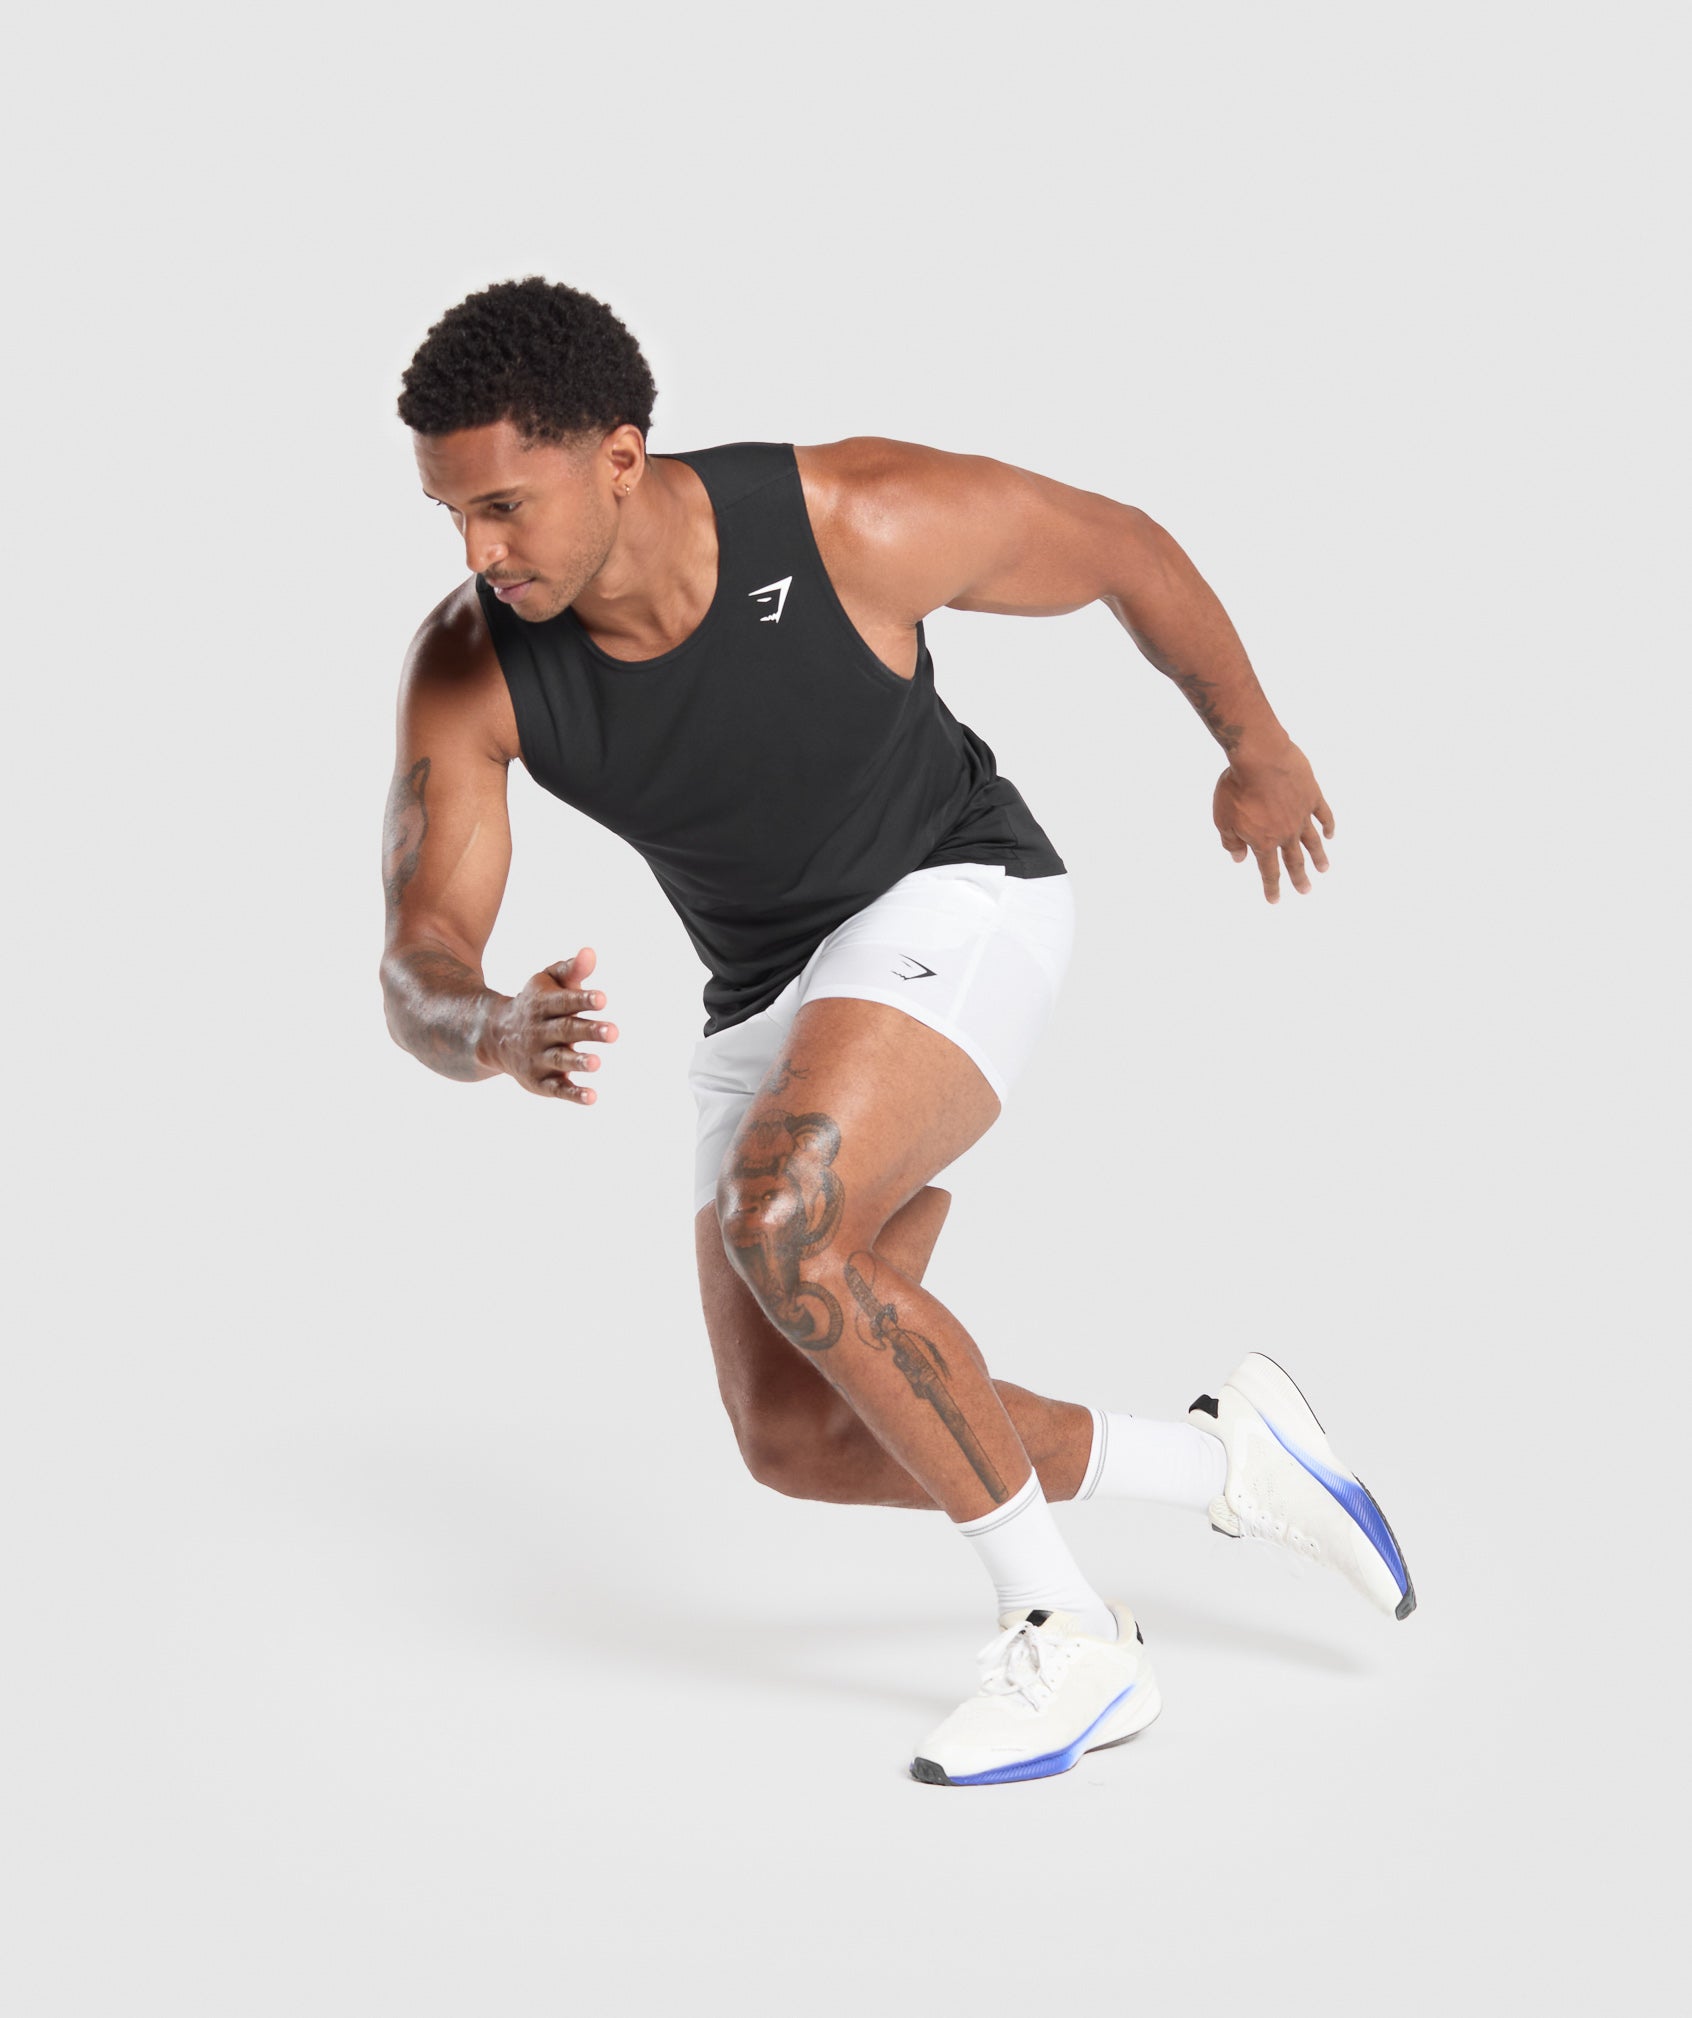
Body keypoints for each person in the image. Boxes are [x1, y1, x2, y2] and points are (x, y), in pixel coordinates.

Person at [380, 276, 1414, 1788]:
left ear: (620, 457)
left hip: (956, 891)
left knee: (786, 1219)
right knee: (795, 1437)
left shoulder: (846, 521)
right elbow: (416, 962)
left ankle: (1071, 1636)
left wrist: (1255, 744)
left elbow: (1120, 547)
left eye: (501, 507)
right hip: (764, 989)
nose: (476, 553)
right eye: (449, 515)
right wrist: (488, 1025)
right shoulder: (472, 663)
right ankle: (1229, 1463)